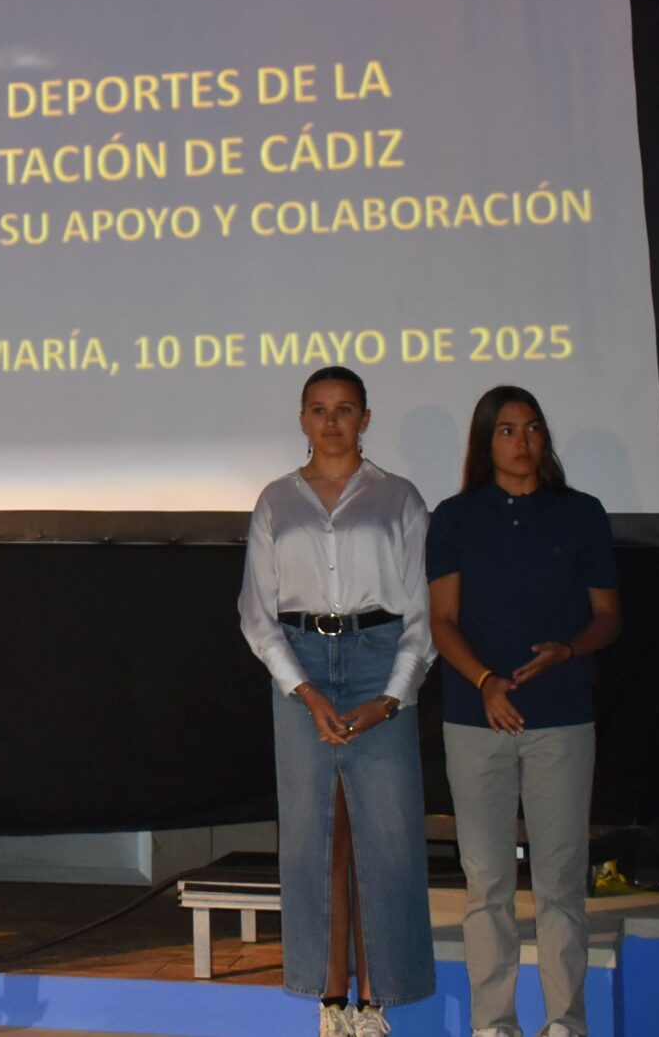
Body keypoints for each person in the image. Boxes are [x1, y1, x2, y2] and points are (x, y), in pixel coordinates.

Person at [239, 367, 436, 1037]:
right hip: (303, 664)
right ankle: (330, 999)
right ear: (302, 419)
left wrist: (392, 696)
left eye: (345, 409)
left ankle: (376, 1001)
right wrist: (302, 688)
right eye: (319, 410)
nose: (331, 422)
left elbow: (423, 612)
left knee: (388, 838)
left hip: (380, 658)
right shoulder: (276, 501)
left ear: (365, 419)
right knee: (315, 839)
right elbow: (256, 613)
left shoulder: (399, 498)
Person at [426, 387, 622, 1037]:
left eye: (532, 428)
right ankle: (494, 1024)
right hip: (475, 718)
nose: (522, 441)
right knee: (487, 884)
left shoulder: (581, 514)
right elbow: (442, 621)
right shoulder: (455, 518)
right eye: (507, 430)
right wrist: (485, 681)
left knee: (560, 881)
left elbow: (609, 617)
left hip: (560, 718)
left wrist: (569, 649)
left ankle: (565, 1023)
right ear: (486, 441)